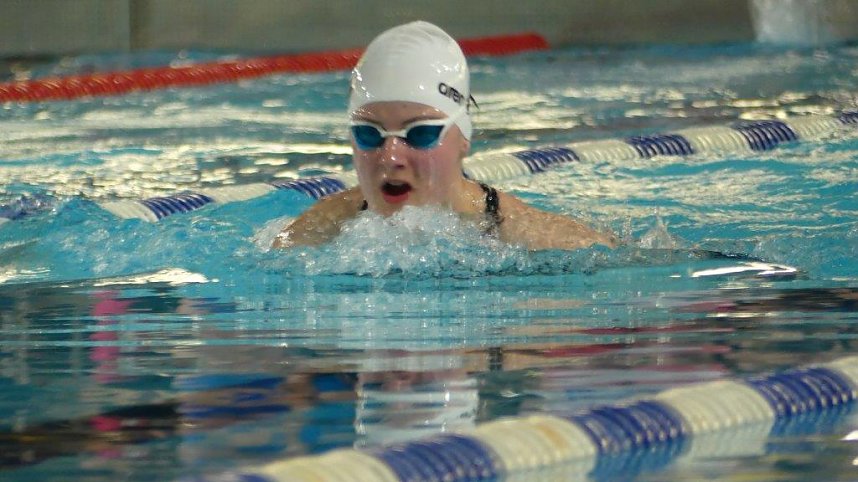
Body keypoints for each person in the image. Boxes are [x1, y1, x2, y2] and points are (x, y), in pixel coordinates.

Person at [273, 21, 615, 251]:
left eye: (419, 133)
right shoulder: (325, 226)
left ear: (463, 138)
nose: (391, 157)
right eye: (368, 133)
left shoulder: (521, 233)